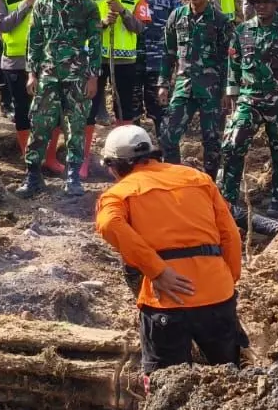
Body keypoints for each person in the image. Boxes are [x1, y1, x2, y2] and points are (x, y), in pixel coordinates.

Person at [94, 125, 246, 387]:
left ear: (115, 165)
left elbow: (109, 225)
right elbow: (230, 234)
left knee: (166, 391)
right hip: (218, 294)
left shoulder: (118, 193)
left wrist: (158, 271)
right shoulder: (198, 179)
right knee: (233, 380)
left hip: (166, 301)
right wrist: (226, 280)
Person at [15, 0, 102, 197]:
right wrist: (31, 73)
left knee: (75, 124)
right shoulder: (42, 3)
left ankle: (73, 176)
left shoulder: (87, 6)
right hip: (47, 74)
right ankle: (33, 175)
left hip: (78, 77)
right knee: (40, 123)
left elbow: (95, 44)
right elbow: (35, 40)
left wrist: (93, 76)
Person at [218, 0, 278, 219]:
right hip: (249, 100)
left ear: (275, 4)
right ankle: (228, 197)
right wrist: (231, 95)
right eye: (256, 2)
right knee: (234, 143)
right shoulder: (242, 31)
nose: (261, 6)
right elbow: (234, 65)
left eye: (265, 1)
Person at [81, 0, 148, 179]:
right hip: (95, 58)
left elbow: (140, 27)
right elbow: (80, 23)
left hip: (125, 60)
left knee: (124, 111)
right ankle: (84, 161)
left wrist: (122, 11)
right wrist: (102, 24)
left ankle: (123, 161)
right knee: (89, 109)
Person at [158, 0, 234, 177]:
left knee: (211, 140)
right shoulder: (177, 16)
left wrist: (229, 91)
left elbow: (229, 58)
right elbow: (169, 52)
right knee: (168, 135)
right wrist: (163, 84)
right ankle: (176, 179)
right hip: (184, 86)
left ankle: (209, 182)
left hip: (212, 90)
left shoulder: (221, 21)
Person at [0, 0, 49, 164]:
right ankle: (30, 159)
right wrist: (26, 4)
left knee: (47, 109)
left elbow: (63, 13)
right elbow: (3, 25)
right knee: (22, 111)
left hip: (46, 58)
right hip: (16, 60)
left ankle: (49, 156)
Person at [132, 0, 176, 131]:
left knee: (162, 113)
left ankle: (166, 157)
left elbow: (178, 18)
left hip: (158, 60)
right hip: (129, 60)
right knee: (129, 116)